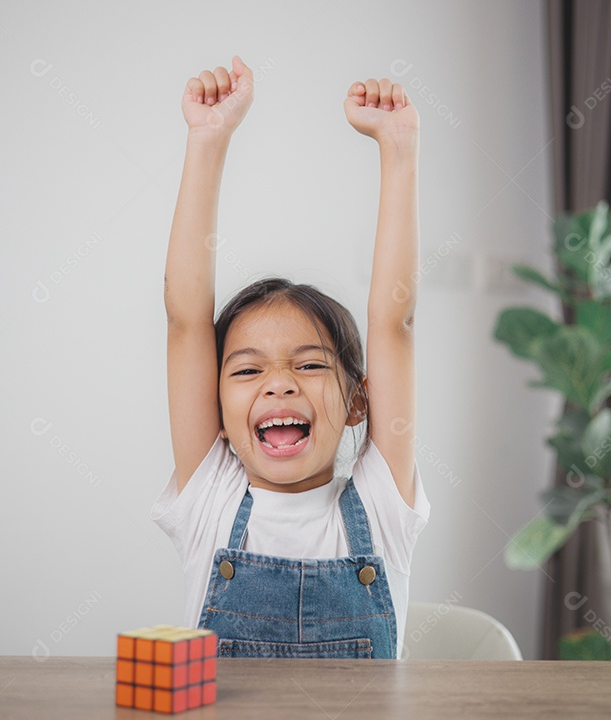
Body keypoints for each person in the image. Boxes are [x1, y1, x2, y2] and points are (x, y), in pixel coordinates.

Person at [151, 55, 429, 659]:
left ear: (359, 401)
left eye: (308, 364)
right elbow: (185, 321)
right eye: (248, 369)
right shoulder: (210, 497)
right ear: (216, 408)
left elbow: (395, 322)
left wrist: (399, 149)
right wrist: (207, 140)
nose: (278, 384)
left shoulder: (384, 506)